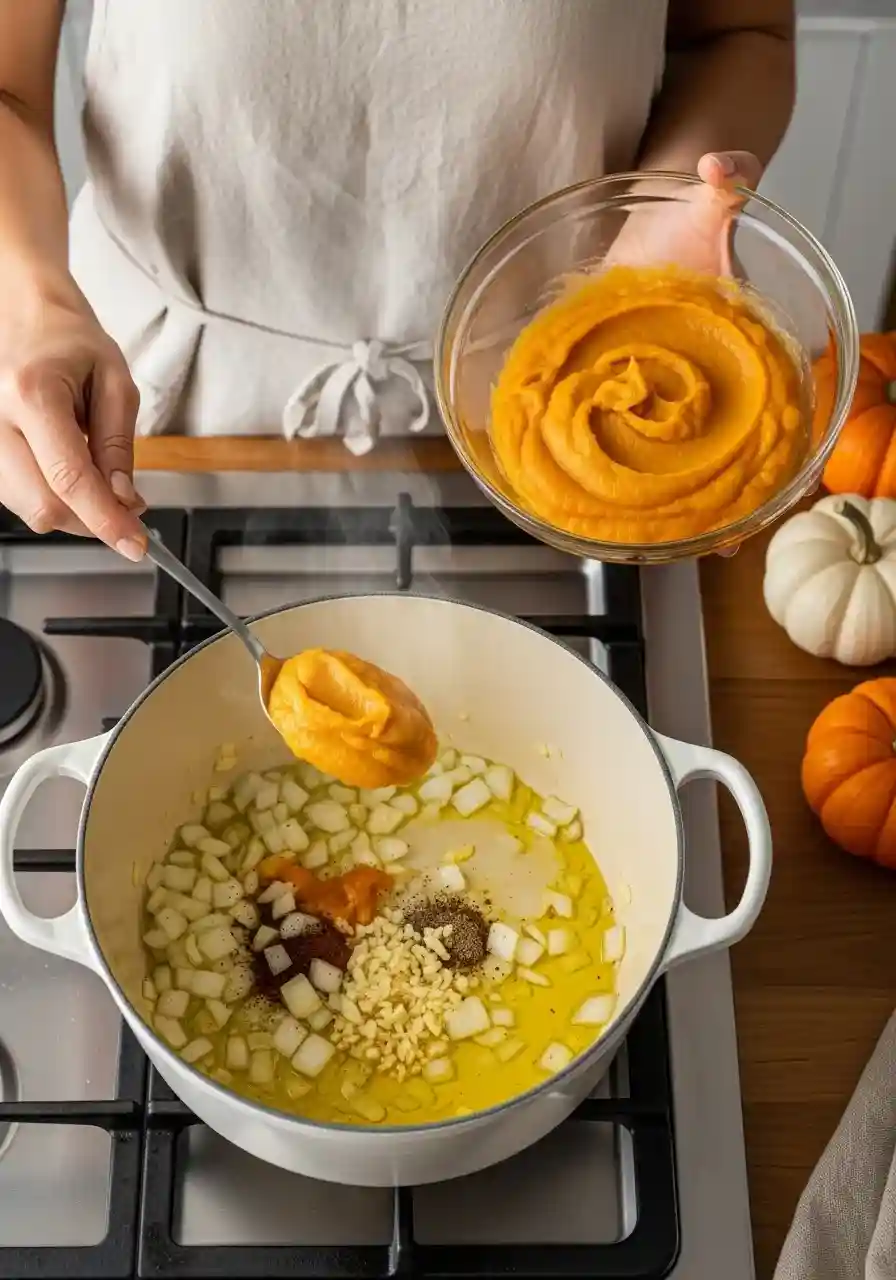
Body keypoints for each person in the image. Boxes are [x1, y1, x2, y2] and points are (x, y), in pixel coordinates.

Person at [0, 1, 795, 561]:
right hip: (143, 412)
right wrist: (32, 303)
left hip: (567, 407)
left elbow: (740, 32)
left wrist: (663, 204)